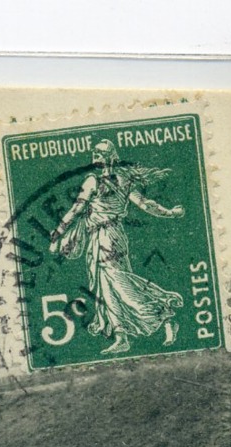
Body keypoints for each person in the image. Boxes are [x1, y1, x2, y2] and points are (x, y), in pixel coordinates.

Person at [48, 140, 186, 355]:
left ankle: (164, 313)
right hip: (103, 237)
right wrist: (170, 213)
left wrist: (59, 229)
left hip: (108, 236)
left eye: (100, 153)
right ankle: (121, 336)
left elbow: (78, 208)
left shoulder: (98, 181)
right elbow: (144, 204)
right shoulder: (118, 180)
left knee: (118, 282)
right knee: (106, 286)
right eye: (94, 152)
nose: (96, 156)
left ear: (111, 156)